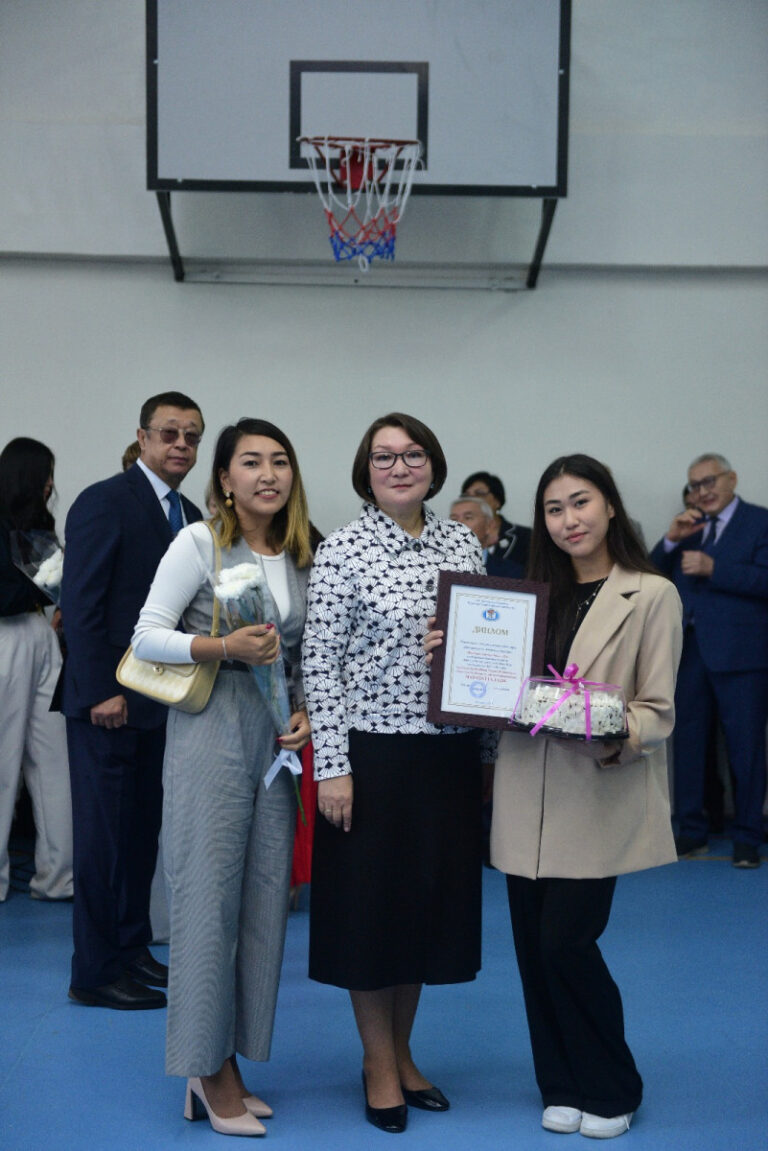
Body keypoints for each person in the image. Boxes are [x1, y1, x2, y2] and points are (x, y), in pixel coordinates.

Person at [303, 413, 489, 1136]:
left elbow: (488, 650)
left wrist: (486, 754)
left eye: (412, 454)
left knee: (422, 913)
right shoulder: (343, 549)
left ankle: (404, 1053)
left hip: (447, 754)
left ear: (433, 467)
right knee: (370, 916)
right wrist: (333, 768)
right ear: (366, 471)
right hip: (371, 756)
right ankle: (377, 1062)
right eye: (384, 457)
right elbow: (320, 663)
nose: (399, 466)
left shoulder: (462, 542)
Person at [489, 454, 681, 1140]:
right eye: (554, 508)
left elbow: (658, 710)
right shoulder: (527, 596)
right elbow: (496, 682)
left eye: (581, 502)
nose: (568, 519)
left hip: (594, 790)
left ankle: (612, 1085)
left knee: (566, 942)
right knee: (532, 949)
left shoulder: (651, 594)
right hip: (523, 790)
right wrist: (456, 662)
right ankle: (562, 1083)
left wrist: (605, 725)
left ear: (609, 506)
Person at [132, 417, 312, 1137]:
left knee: (264, 901)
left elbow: (298, 655)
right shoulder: (199, 542)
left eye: (280, 461)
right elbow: (146, 635)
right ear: (226, 479)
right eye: (251, 462)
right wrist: (221, 645)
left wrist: (302, 712)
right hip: (210, 725)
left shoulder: (299, 552)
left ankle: (226, 1059)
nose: (268, 474)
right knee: (207, 902)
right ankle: (205, 1071)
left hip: (273, 737)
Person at [61, 391, 204, 1010]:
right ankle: (94, 972)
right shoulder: (104, 500)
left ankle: (130, 948)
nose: (181, 445)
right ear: (142, 438)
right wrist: (100, 689)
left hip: (159, 701)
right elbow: (81, 603)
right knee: (103, 841)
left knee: (141, 833)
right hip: (109, 701)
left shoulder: (189, 512)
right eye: (169, 433)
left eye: (192, 436)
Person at [650, 453, 768, 868]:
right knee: (687, 744)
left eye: (709, 481)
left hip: (743, 654)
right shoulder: (689, 526)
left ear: (731, 479)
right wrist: (670, 540)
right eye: (695, 485)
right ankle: (691, 830)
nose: (703, 491)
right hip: (690, 651)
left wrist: (716, 568)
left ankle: (748, 836)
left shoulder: (760, 521)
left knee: (746, 749)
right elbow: (648, 574)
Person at [0, 437, 72, 902]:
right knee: (5, 758)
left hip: (37, 631)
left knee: (54, 757)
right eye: (46, 474)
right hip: (7, 634)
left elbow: (53, 585)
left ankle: (59, 875)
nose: (50, 483)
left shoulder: (37, 523)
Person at [461, 470, 531, 577]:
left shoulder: (526, 537)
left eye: (479, 494)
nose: (471, 500)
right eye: (466, 496)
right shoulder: (456, 537)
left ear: (497, 501)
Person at [449, 494, 495, 560]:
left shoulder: (508, 566)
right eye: (454, 519)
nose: (459, 524)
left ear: (488, 526)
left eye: (468, 518)